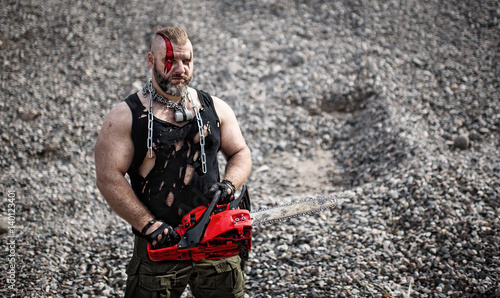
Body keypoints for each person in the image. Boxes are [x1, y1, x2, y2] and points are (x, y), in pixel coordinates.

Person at [94, 26, 252, 297]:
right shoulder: (126, 116)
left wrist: (229, 184)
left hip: (215, 243)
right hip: (160, 247)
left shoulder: (214, 107)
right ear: (150, 60)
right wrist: (148, 225)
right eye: (170, 60)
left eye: (186, 60)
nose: (180, 68)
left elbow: (240, 152)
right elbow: (109, 177)